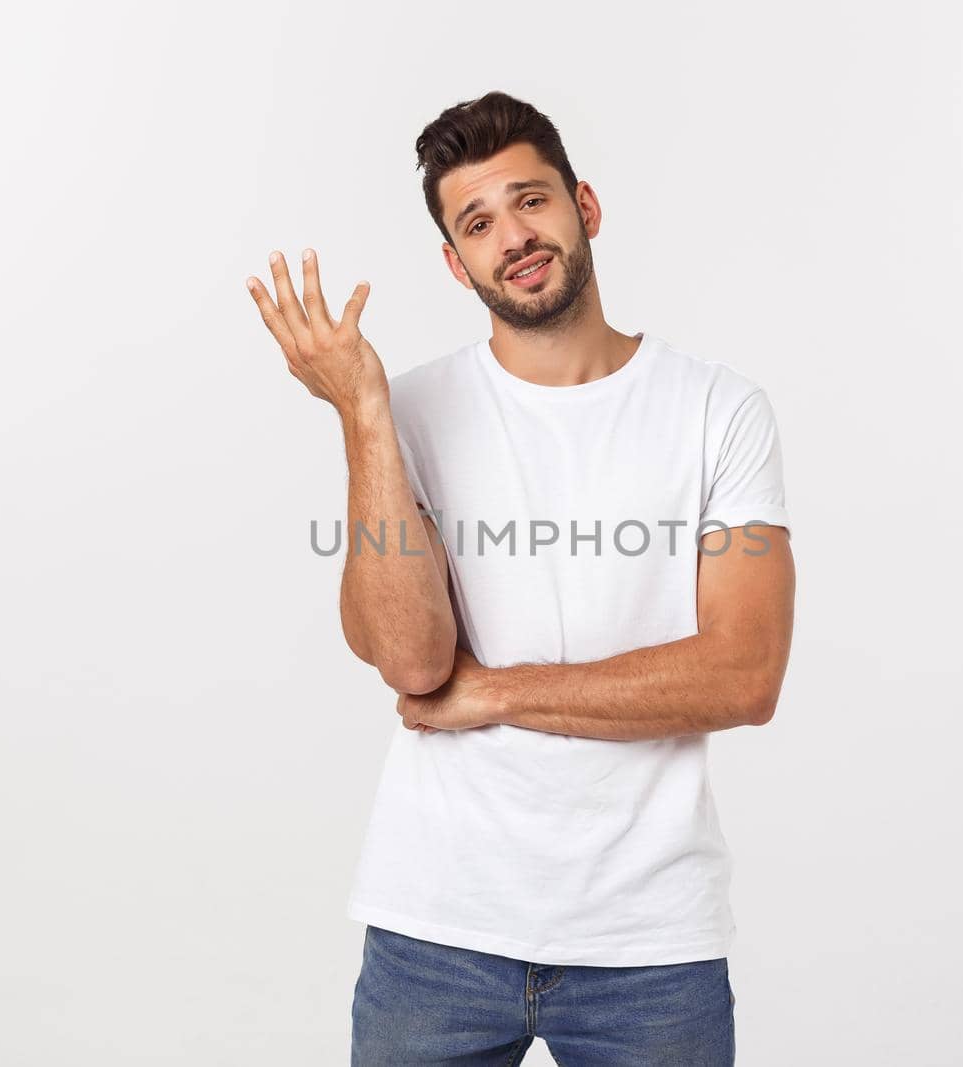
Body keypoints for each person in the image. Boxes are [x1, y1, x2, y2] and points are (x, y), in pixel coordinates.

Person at [246, 89, 795, 1066]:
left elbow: (743, 674)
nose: (514, 236)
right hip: (436, 930)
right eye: (478, 222)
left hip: (650, 941)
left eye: (530, 201)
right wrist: (363, 411)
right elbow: (413, 662)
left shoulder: (719, 410)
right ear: (455, 264)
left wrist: (494, 690)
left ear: (585, 205)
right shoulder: (407, 411)